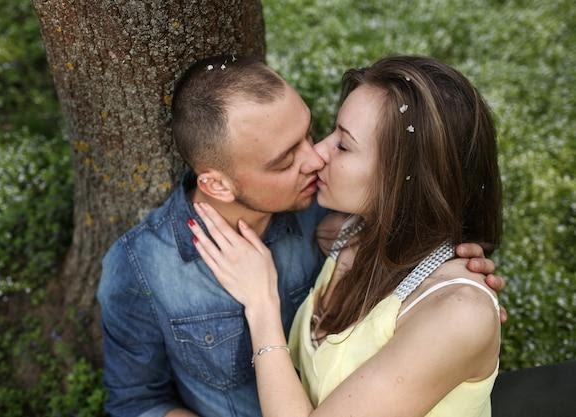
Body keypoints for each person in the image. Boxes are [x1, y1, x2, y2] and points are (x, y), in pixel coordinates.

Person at [97, 55, 504, 417]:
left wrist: (459, 297)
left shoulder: (334, 218)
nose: (315, 158)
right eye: (285, 160)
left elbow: (435, 285)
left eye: (317, 135)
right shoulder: (142, 266)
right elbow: (137, 402)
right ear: (218, 185)